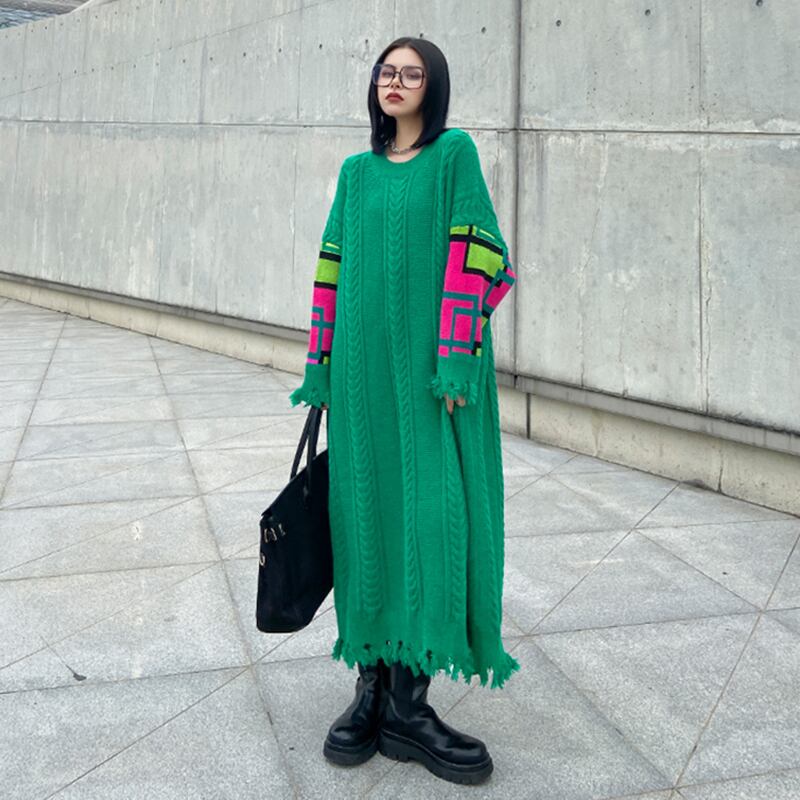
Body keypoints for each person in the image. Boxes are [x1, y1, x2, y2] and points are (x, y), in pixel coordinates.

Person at [288, 36, 519, 786]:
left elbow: (482, 255)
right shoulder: (356, 173)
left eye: (411, 73)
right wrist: (320, 369)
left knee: (430, 523)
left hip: (430, 383)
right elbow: (330, 270)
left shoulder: (454, 156)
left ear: (432, 87)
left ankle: (410, 704)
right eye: (386, 72)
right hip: (361, 386)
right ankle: (371, 693)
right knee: (366, 524)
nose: (395, 82)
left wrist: (454, 358)